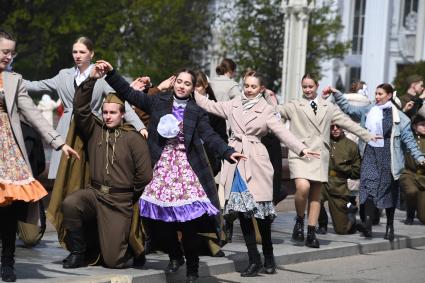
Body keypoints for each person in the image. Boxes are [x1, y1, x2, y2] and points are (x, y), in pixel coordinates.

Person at [96, 60, 246, 283]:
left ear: (193, 88)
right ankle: (175, 254)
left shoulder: (197, 111)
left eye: (187, 84)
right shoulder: (159, 101)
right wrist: (111, 73)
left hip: (185, 170)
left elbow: (210, 136)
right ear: (174, 82)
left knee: (188, 224)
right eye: (179, 81)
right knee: (156, 218)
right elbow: (129, 93)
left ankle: (193, 270)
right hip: (160, 168)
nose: (182, 86)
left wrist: (227, 151)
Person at [195, 70, 319, 277]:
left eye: (253, 87)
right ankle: (254, 260)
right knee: (243, 214)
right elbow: (210, 105)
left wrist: (301, 148)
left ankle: (268, 255)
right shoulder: (233, 104)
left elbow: (282, 132)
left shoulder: (266, 110)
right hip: (235, 160)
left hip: (256, 162)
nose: (249, 90)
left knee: (260, 215)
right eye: (246, 86)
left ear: (261, 89)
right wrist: (190, 91)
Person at [0, 30, 79, 282]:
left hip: (6, 148)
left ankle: (8, 262)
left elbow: (33, 114)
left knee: (8, 208)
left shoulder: (14, 80)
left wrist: (58, 142)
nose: (9, 56)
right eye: (5, 51)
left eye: (12, 52)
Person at [60, 69, 153, 269]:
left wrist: (128, 194)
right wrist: (91, 80)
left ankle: (129, 247)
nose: (108, 116)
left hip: (120, 202)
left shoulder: (134, 138)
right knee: (71, 203)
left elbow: (145, 175)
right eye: (105, 112)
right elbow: (81, 108)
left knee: (113, 262)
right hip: (95, 194)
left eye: (113, 113)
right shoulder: (95, 130)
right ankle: (78, 253)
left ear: (122, 114)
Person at [24, 36, 147, 179]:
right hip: (66, 128)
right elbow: (37, 85)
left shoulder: (101, 76)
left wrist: (139, 126)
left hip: (91, 129)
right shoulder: (63, 75)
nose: (77, 56)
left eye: (82, 52)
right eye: (74, 52)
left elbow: (120, 102)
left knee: (90, 172)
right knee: (63, 174)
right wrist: (8, 78)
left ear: (91, 54)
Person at [277, 74, 376, 249]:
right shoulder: (294, 105)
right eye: (305, 87)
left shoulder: (328, 107)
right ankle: (300, 220)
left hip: (319, 155)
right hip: (299, 154)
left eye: (310, 86)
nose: (307, 90)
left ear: (316, 86)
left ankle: (311, 232)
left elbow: (347, 123)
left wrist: (368, 136)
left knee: (315, 196)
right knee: (302, 188)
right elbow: (275, 113)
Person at [326, 83, 425, 241]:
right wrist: (337, 94)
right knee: (368, 189)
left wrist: (420, 157)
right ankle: (368, 224)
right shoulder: (369, 110)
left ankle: (390, 225)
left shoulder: (401, 118)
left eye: (380, 94)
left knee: (388, 193)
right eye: (376, 93)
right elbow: (350, 110)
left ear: (389, 95)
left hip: (389, 157)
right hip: (370, 154)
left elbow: (410, 141)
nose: (377, 97)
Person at [317, 124, 361, 235]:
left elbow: (357, 171)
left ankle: (351, 215)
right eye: (332, 127)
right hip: (322, 181)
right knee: (315, 199)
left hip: (339, 185)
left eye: (338, 127)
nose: (335, 129)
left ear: (342, 128)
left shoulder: (351, 146)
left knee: (342, 230)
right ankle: (322, 224)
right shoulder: (322, 142)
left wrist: (342, 168)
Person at [399, 115, 425, 225]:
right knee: (411, 191)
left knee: (423, 219)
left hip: (423, 177)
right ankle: (410, 214)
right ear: (414, 126)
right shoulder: (408, 138)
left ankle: (419, 213)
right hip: (408, 173)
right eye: (422, 125)